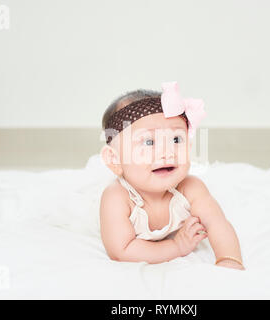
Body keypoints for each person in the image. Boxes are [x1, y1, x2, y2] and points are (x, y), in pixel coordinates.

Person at [99, 81, 244, 270]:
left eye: (176, 139)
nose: (166, 152)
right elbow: (121, 251)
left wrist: (229, 258)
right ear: (115, 160)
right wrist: (177, 246)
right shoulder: (117, 197)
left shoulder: (191, 188)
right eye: (149, 142)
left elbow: (217, 224)